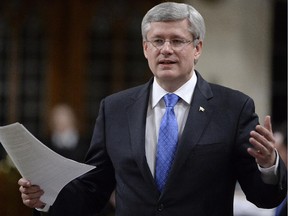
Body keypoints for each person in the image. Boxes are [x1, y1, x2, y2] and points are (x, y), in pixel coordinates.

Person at [18, 2, 286, 216]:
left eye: (177, 40)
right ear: (146, 48)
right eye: (157, 41)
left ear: (197, 48)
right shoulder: (115, 110)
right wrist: (46, 199)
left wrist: (268, 166)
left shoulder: (233, 108)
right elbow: (93, 191)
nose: (166, 49)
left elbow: (265, 198)